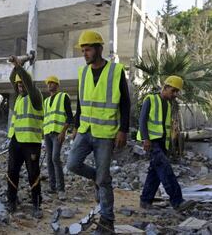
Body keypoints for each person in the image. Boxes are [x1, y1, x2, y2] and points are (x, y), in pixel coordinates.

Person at [66, 30, 130, 234]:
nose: (85, 53)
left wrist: (123, 130)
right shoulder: (82, 73)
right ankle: (99, 179)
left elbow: (125, 104)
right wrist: (76, 126)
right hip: (85, 130)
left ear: (99, 49)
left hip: (106, 133)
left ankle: (107, 220)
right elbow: (81, 104)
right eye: (83, 50)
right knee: (72, 164)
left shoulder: (116, 71)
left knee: (104, 179)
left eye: (88, 49)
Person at [138, 75, 195, 211]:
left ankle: (146, 201)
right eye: (173, 90)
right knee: (165, 170)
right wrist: (146, 139)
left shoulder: (168, 105)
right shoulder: (150, 99)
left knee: (155, 173)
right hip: (152, 142)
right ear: (166, 87)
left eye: (177, 92)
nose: (175, 94)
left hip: (162, 144)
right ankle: (177, 201)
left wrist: (169, 146)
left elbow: (166, 128)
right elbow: (142, 120)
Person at [7, 55, 44, 219]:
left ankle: (37, 204)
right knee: (12, 171)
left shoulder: (35, 97)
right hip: (16, 141)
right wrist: (16, 67)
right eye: (18, 84)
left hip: (31, 142)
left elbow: (28, 81)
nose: (20, 86)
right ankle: (11, 201)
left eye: (22, 83)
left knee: (33, 173)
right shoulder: (19, 98)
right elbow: (11, 78)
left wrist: (20, 67)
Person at [43, 75, 74, 200]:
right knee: (49, 160)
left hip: (57, 133)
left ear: (57, 85)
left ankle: (61, 189)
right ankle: (52, 187)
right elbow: (46, 118)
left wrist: (63, 132)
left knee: (55, 158)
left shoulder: (63, 97)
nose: (50, 85)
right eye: (48, 83)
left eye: (52, 83)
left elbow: (70, 117)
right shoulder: (46, 101)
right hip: (47, 133)